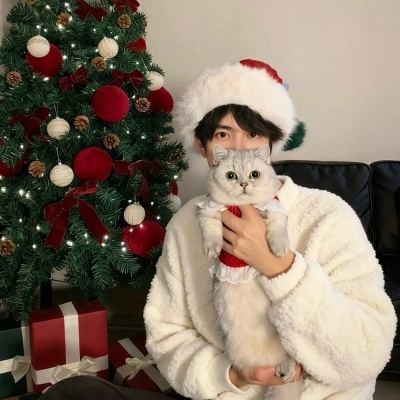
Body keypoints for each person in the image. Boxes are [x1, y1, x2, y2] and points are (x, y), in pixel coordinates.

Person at [40, 59, 396, 400]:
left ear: (271, 143)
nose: (239, 147)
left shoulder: (327, 214)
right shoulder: (187, 223)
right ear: (203, 145)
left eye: (253, 133)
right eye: (224, 134)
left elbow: (367, 352)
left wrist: (279, 267)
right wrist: (233, 376)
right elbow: (167, 333)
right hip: (227, 393)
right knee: (71, 392)